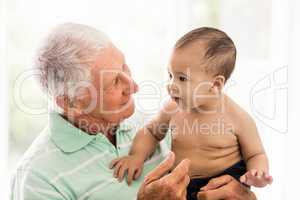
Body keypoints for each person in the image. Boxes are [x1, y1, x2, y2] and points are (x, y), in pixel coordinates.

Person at [10, 23, 257, 200]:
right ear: (69, 102)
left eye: (125, 68)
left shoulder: (158, 120)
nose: (135, 86)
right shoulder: (38, 179)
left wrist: (244, 195)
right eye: (114, 83)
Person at [111, 27, 272, 200]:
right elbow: (151, 132)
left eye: (182, 78)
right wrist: (137, 156)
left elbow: (256, 154)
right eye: (170, 75)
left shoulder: (237, 118)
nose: (171, 85)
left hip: (223, 184)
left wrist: (257, 174)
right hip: (183, 186)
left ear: (215, 84)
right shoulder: (172, 108)